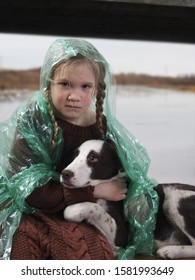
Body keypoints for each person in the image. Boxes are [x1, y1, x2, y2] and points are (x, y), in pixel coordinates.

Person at [0, 38, 158, 260]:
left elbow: (128, 179)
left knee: (92, 251)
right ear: (49, 83)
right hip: (28, 206)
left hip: (78, 207)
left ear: (96, 90)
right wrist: (95, 191)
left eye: (85, 86)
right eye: (65, 84)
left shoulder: (100, 127)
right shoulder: (33, 121)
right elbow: (29, 190)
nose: (75, 96)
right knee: (22, 247)